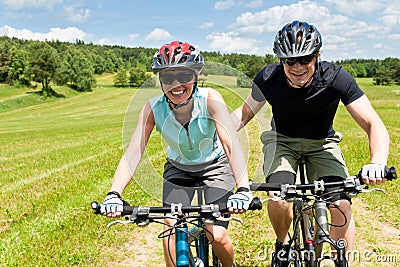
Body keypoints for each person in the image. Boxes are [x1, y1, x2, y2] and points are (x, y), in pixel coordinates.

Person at [231, 21, 390, 266]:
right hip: (282, 141)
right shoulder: (268, 78)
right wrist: (214, 136)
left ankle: (341, 260)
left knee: (340, 201)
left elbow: (373, 124)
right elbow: (243, 115)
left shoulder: (336, 78)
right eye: (289, 61)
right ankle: (282, 245)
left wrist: (377, 162)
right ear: (280, 60)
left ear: (317, 55)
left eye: (305, 59)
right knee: (279, 196)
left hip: (322, 142)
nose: (297, 67)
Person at [100, 40, 252, 267]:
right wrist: (114, 193)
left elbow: (230, 145)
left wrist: (243, 189)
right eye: (168, 78)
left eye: (183, 75)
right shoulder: (153, 108)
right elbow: (133, 152)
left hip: (216, 165)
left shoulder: (210, 99)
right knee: (170, 231)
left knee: (217, 235)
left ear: (195, 77)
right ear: (161, 81)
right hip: (179, 168)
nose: (176, 84)